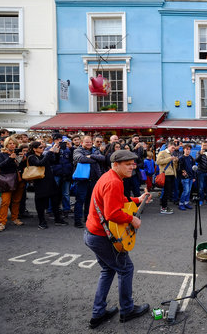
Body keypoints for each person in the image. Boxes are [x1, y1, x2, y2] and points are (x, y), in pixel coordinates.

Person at [84, 150, 151, 329]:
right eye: (128, 164)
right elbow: (112, 213)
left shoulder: (110, 177)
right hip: (102, 237)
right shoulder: (114, 182)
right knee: (126, 269)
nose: (133, 166)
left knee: (108, 270)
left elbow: (117, 201)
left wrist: (138, 199)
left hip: (93, 234)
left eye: (133, 163)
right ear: (116, 164)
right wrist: (132, 219)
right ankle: (127, 310)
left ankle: (98, 314)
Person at [27, 141, 68, 229]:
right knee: (40, 202)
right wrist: (49, 152)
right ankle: (42, 221)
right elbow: (40, 163)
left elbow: (54, 161)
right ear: (34, 149)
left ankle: (57, 219)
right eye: (40, 147)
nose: (43, 149)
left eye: (43, 147)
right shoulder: (31, 157)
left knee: (55, 200)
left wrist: (56, 153)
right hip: (40, 182)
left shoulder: (43, 155)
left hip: (50, 180)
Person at [73, 136, 106, 228]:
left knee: (90, 201)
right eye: (86, 142)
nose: (88, 144)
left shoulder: (95, 150)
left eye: (90, 142)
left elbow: (103, 158)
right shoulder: (77, 150)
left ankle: (87, 218)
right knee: (80, 200)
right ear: (82, 143)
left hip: (94, 179)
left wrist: (91, 156)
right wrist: (95, 160)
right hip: (82, 180)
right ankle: (77, 220)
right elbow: (80, 159)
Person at [0, 136, 25, 232]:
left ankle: (15, 218)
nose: (12, 145)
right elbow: (0, 166)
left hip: (18, 179)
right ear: (6, 144)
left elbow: (20, 166)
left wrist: (23, 158)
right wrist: (10, 158)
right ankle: (2, 222)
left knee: (16, 200)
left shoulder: (18, 153)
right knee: (5, 202)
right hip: (7, 179)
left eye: (13, 143)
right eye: (10, 143)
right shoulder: (1, 154)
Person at [156, 141, 178, 214]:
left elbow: (174, 166)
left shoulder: (171, 154)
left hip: (172, 175)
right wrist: (170, 159)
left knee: (168, 192)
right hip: (166, 175)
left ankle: (164, 206)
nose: (173, 149)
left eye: (174, 148)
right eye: (172, 148)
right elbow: (158, 162)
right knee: (166, 192)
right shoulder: (162, 152)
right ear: (169, 146)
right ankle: (163, 207)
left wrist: (175, 161)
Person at [195, 141, 207, 206]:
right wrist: (200, 154)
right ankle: (201, 200)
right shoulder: (198, 152)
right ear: (201, 146)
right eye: (203, 145)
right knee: (201, 187)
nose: (204, 146)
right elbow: (196, 160)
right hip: (201, 172)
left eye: (205, 145)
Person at [177, 144, 195, 211]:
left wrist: (194, 177)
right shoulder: (181, 158)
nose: (188, 150)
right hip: (185, 178)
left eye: (189, 149)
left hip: (191, 177)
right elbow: (179, 168)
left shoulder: (191, 158)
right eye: (187, 149)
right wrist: (182, 172)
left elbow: (194, 168)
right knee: (186, 191)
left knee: (189, 191)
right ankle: (181, 204)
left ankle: (186, 203)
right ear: (184, 150)